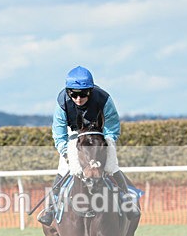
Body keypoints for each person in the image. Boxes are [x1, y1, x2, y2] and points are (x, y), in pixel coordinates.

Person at [37, 66, 137, 226]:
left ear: (90, 91)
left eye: (83, 94)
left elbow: (112, 126)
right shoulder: (62, 101)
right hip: (74, 136)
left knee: (112, 166)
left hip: (99, 136)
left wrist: (107, 145)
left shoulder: (104, 99)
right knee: (63, 170)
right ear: (68, 92)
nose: (78, 98)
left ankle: (127, 202)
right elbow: (59, 132)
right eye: (74, 94)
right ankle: (50, 208)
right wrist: (65, 153)